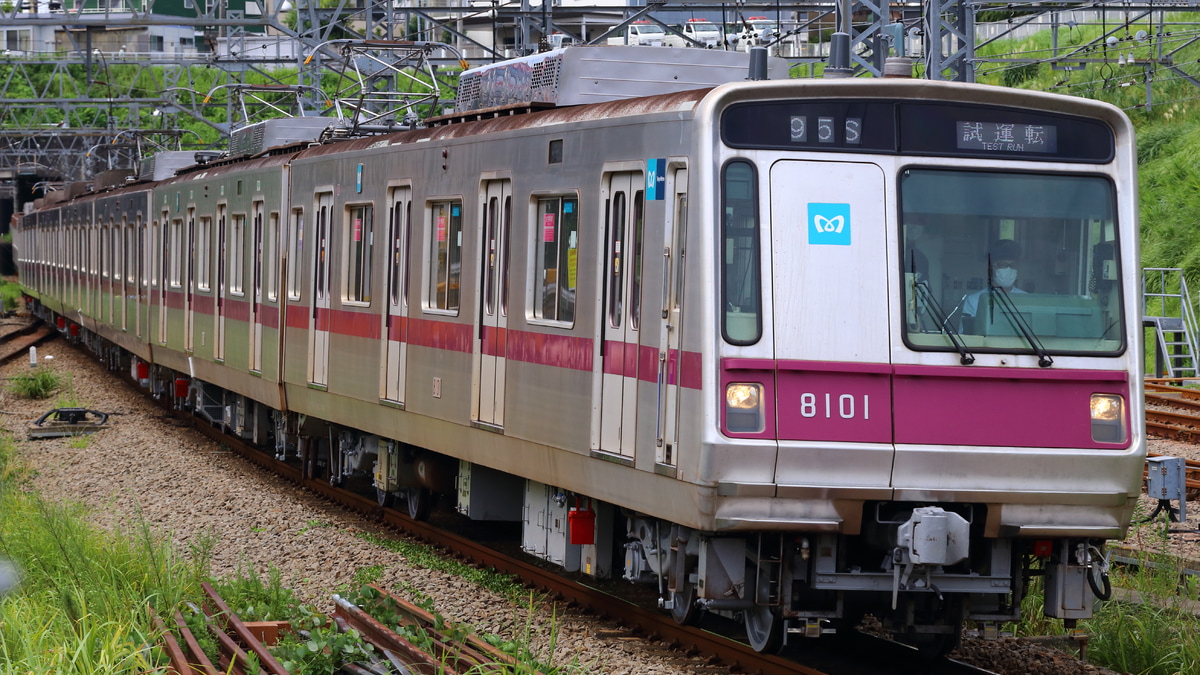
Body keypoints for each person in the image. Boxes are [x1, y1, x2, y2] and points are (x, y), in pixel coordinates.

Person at [960, 239, 1025, 333]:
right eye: (1002, 264)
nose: (1008, 269)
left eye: (1013, 265)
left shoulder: (1027, 299)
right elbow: (967, 337)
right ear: (991, 267)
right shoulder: (975, 300)